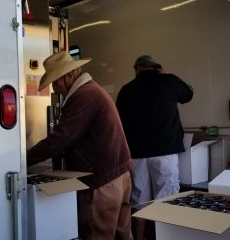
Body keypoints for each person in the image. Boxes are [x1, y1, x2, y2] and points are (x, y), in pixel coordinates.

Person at [27, 50, 133, 240]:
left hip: (103, 181)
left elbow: (61, 138)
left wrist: (23, 159)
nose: (54, 88)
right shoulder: (92, 91)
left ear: (70, 75)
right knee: (122, 234)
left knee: (97, 235)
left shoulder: (84, 96)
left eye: (56, 81)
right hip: (118, 174)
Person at [116, 55, 194, 239]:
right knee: (166, 199)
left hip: (136, 154)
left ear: (137, 69)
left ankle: (140, 237)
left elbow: (119, 120)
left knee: (139, 200)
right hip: (165, 152)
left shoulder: (126, 90)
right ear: (156, 68)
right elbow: (188, 94)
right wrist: (165, 75)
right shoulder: (169, 81)